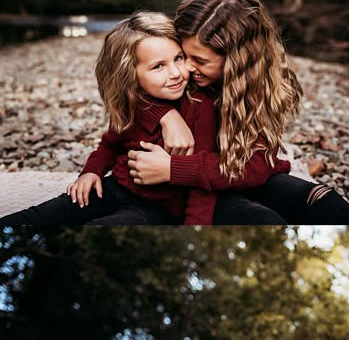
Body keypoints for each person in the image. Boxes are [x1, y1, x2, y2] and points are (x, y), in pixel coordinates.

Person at [126, 0, 349, 225]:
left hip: (233, 175)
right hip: (186, 193)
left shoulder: (261, 88)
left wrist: (174, 168)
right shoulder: (181, 73)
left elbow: (254, 166)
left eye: (200, 60)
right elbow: (129, 90)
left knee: (320, 199)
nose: (185, 67)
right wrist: (167, 115)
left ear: (236, 61)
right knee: (256, 216)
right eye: (182, 54)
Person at [4, 13, 217, 226]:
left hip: (158, 209)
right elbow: (110, 145)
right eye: (158, 66)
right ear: (130, 74)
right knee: (40, 215)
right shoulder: (132, 103)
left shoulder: (199, 107)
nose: (176, 73)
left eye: (178, 58)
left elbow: (202, 182)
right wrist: (90, 172)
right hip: (115, 188)